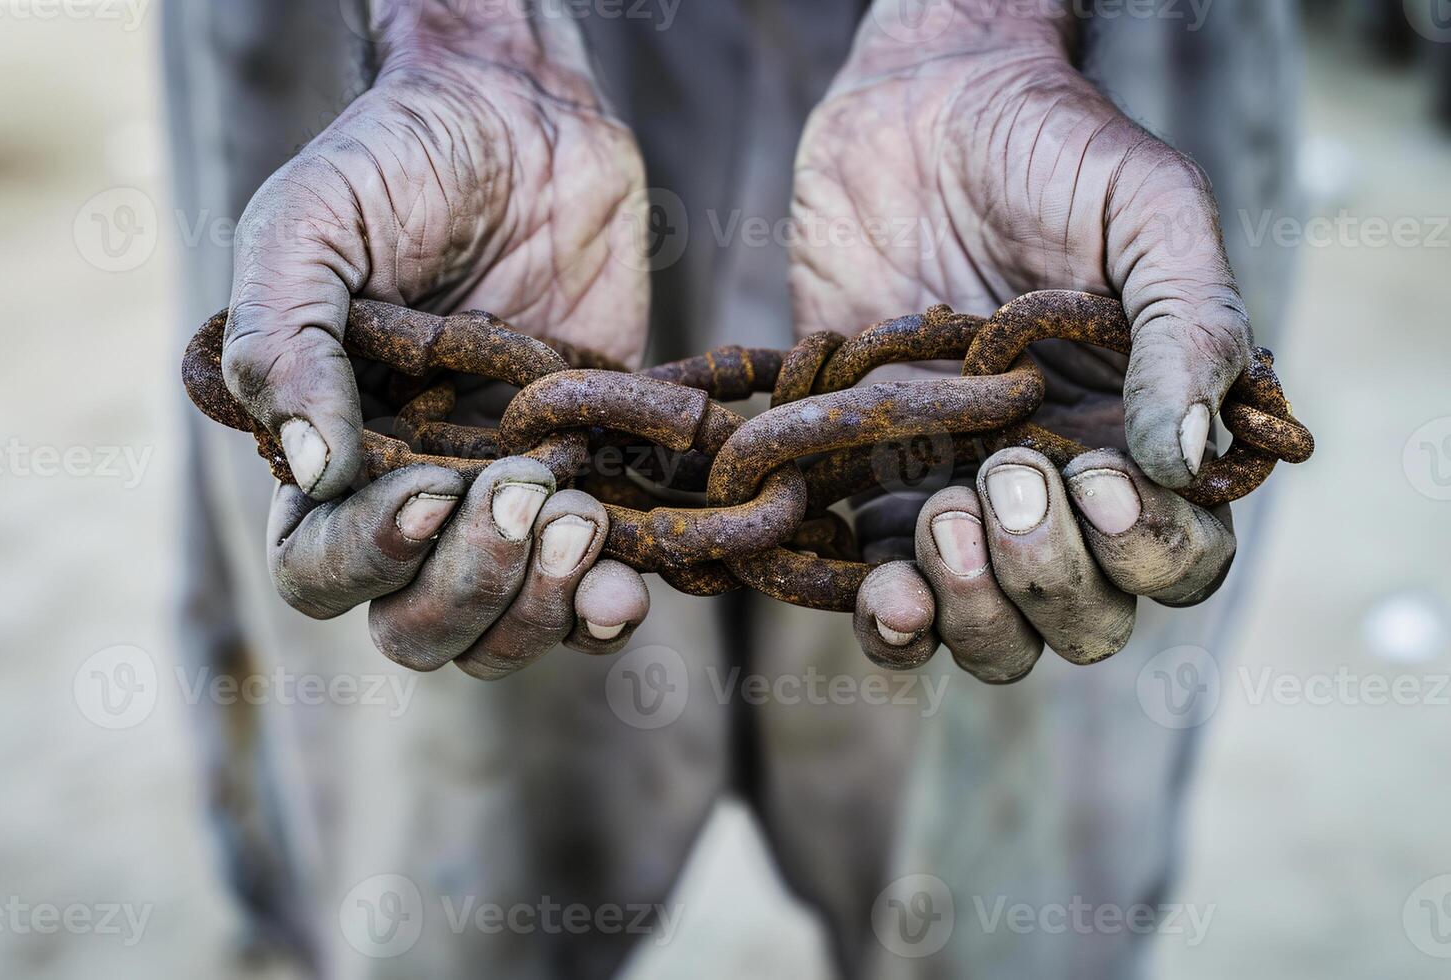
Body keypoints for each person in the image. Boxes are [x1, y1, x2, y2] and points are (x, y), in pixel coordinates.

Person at [164, 1, 1301, 976]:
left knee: (1003, 873)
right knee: (427, 864)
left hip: (1050, 91)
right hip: (456, 115)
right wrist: (462, 34)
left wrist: (986, 29)